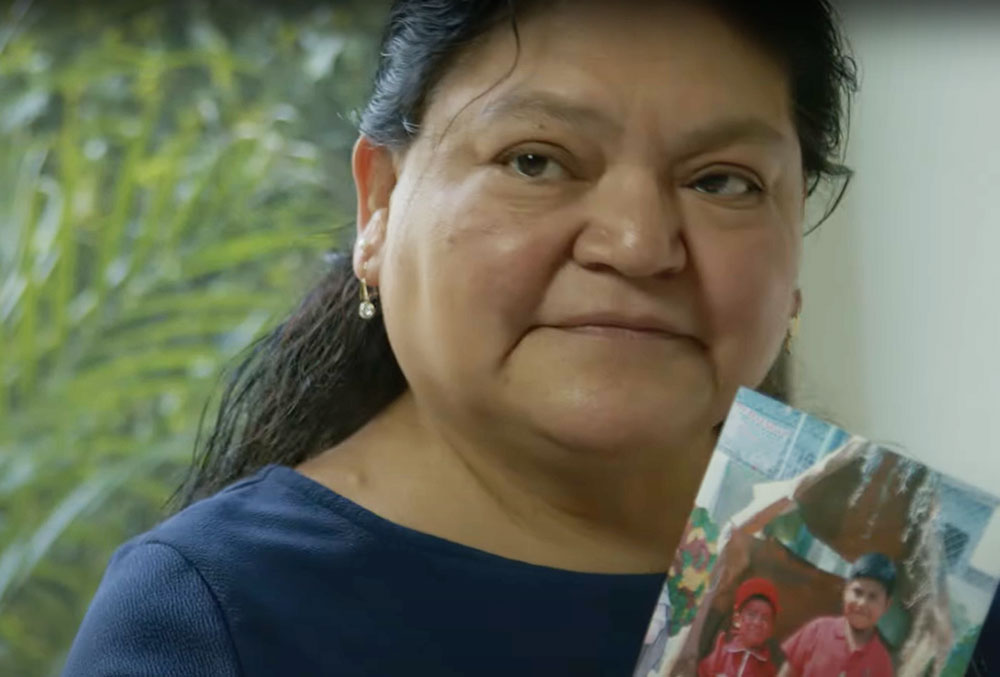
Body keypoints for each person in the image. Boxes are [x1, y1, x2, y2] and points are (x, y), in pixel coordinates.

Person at [62, 1, 858, 675]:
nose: (639, 244)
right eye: (537, 160)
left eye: (723, 181)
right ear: (380, 202)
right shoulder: (211, 615)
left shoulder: (894, 577)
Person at [778, 553, 896, 677]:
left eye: (873, 597)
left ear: (886, 605)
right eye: (857, 592)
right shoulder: (817, 631)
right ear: (845, 591)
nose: (862, 603)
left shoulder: (882, 665)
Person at [698, 578, 781, 677]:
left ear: (770, 630)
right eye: (752, 614)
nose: (757, 622)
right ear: (737, 619)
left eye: (765, 618)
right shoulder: (719, 655)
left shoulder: (768, 671)